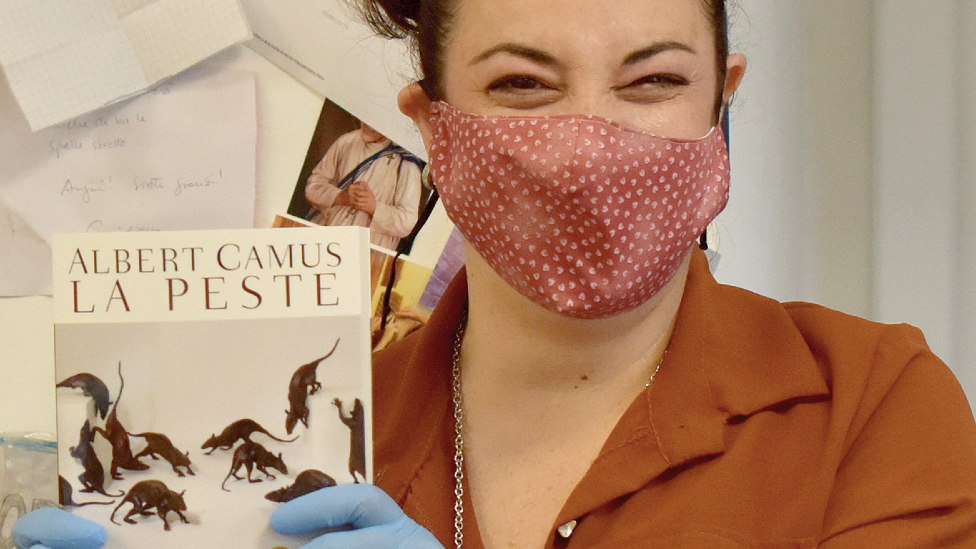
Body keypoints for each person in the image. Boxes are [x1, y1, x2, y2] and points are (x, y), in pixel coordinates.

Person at [16, 0, 976, 548]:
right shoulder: (327, 439)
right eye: (522, 84)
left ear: (720, 103)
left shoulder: (871, 403)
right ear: (430, 128)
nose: (587, 148)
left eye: (653, 81)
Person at [305, 120, 424, 289]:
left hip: (368, 258)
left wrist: (374, 208)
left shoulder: (407, 165)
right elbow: (313, 187)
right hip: (326, 245)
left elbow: (408, 222)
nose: (368, 123)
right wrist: (341, 196)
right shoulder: (346, 142)